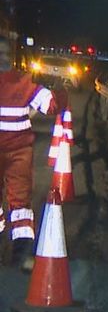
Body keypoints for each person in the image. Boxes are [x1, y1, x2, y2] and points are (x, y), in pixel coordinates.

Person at [0, 46, 60, 273]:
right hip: (19, 153)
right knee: (20, 203)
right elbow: (51, 105)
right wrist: (61, 90)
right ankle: (22, 255)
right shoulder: (25, 83)